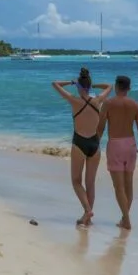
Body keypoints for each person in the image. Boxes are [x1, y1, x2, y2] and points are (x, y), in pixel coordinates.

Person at [53, 67, 112, 227]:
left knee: (76, 181)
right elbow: (109, 87)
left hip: (79, 142)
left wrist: (72, 82)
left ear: (79, 87)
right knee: (90, 183)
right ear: (89, 86)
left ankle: (87, 210)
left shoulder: (74, 100)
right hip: (95, 143)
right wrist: (93, 85)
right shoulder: (98, 100)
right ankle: (88, 218)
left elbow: (55, 84)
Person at [96, 75, 138, 230]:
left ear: (115, 86)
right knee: (129, 185)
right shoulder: (135, 105)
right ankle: (124, 218)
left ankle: (126, 220)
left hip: (115, 145)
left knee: (119, 187)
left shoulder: (108, 103)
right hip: (131, 145)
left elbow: (100, 127)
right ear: (129, 88)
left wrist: (95, 144)